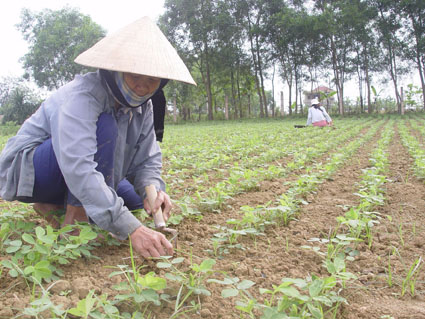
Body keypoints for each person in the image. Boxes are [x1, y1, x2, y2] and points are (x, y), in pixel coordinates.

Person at [0, 17, 196, 258]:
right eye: (135, 76)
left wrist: (152, 191)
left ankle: (52, 206)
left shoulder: (145, 106)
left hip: (68, 171)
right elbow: (78, 166)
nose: (142, 88)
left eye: (151, 81)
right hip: (31, 170)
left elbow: (147, 159)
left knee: (133, 199)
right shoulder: (84, 96)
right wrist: (132, 228)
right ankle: (75, 218)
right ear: (118, 70)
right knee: (105, 125)